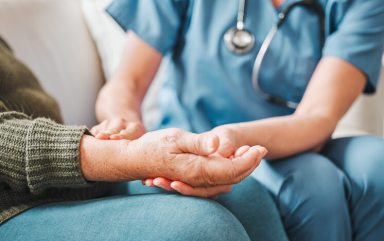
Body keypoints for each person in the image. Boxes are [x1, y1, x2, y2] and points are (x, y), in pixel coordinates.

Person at [96, 0, 384, 240]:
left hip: (292, 140)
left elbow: (317, 116)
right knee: (313, 183)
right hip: (185, 140)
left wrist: (225, 140)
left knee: (377, 163)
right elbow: (126, 84)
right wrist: (124, 127)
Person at [0, 36, 289, 241]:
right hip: (11, 204)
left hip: (56, 183)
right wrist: (128, 156)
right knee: (202, 229)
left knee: (244, 193)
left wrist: (111, 137)